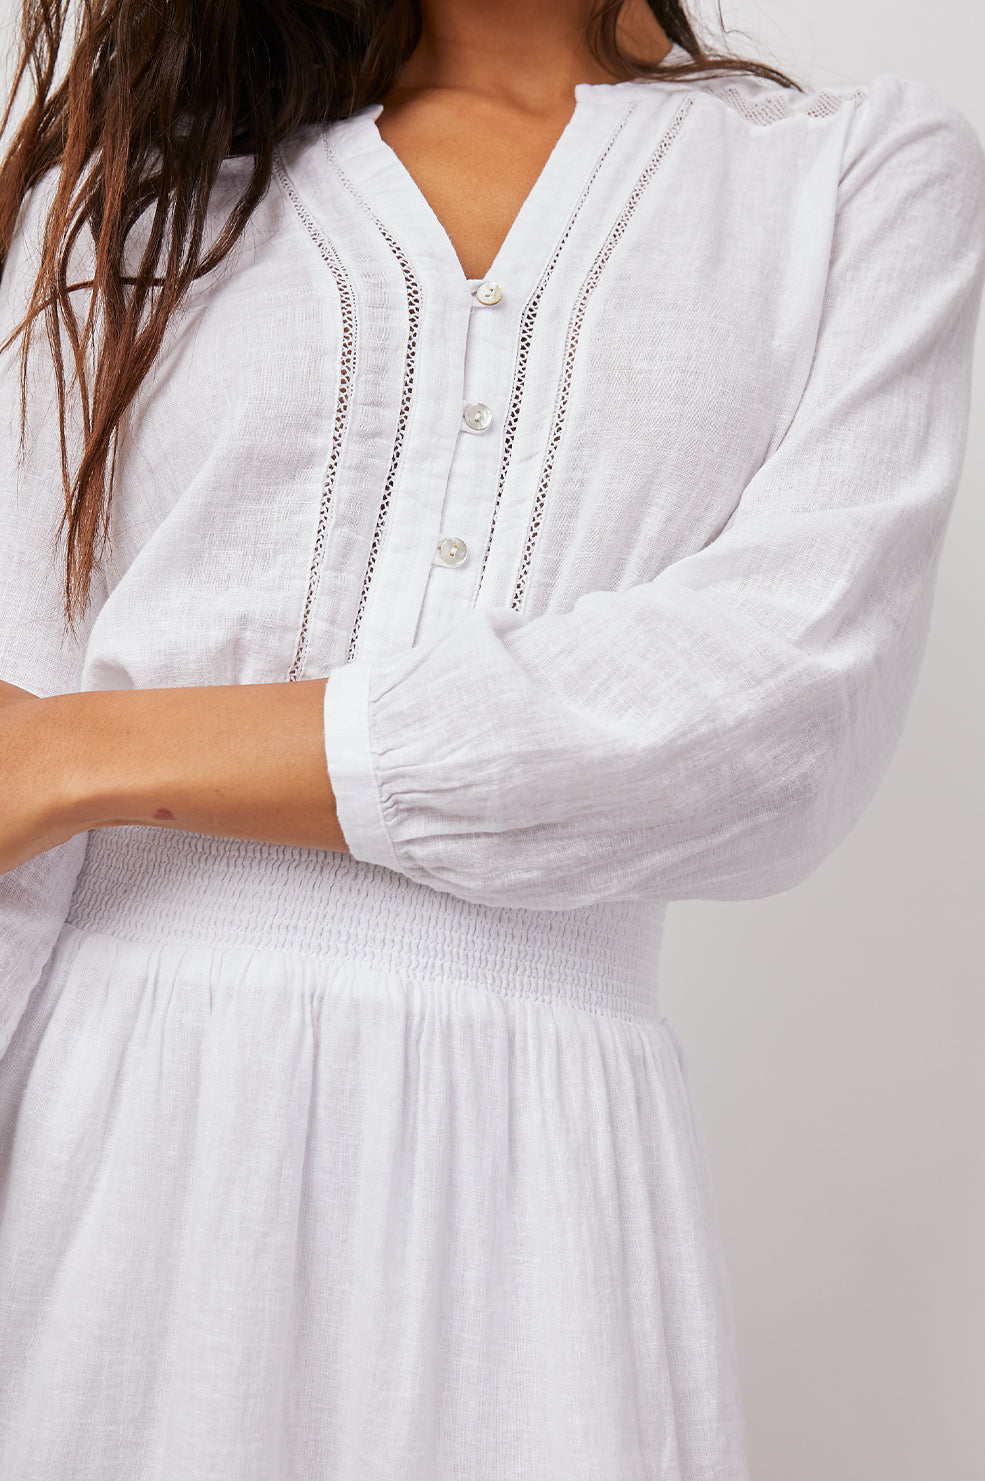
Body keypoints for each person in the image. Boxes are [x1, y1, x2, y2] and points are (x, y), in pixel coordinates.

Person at [0, 1, 982, 1477]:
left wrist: (102, 749)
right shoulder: (141, 203)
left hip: (538, 1182)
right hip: (123, 1152)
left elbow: (778, 715)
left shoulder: (849, 182)